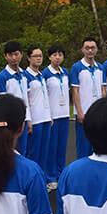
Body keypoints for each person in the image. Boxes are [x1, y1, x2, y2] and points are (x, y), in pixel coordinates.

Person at [70, 37, 106, 159]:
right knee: (83, 146)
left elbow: (103, 89)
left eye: (92, 48)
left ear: (96, 49)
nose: (90, 50)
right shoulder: (76, 67)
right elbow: (75, 91)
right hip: (84, 113)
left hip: (98, 113)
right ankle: (82, 169)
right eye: (87, 48)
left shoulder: (100, 67)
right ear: (82, 49)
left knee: (98, 145)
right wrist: (79, 112)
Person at [0, 41, 32, 155]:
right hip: (11, 121)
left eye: (16, 54)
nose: (14, 58)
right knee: (11, 151)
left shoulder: (24, 74)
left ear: (21, 55)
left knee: (24, 151)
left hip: (24, 119)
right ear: (5, 56)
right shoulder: (2, 76)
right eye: (10, 55)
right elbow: (2, 103)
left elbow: (26, 98)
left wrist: (29, 119)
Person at [42, 44, 71, 188]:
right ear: (49, 57)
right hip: (52, 116)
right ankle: (51, 176)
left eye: (60, 55)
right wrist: (49, 115)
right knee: (52, 147)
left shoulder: (65, 72)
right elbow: (44, 96)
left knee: (61, 147)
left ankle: (61, 174)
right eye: (54, 55)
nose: (57, 57)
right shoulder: (45, 73)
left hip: (64, 114)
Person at [24, 45, 53, 172]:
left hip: (45, 117)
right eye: (35, 56)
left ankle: (42, 177)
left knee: (44, 151)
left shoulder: (41, 75)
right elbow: (26, 99)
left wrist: (49, 115)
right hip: (35, 119)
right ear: (28, 58)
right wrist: (28, 119)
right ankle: (32, 177)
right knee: (34, 152)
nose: (38, 58)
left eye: (40, 56)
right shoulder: (26, 75)